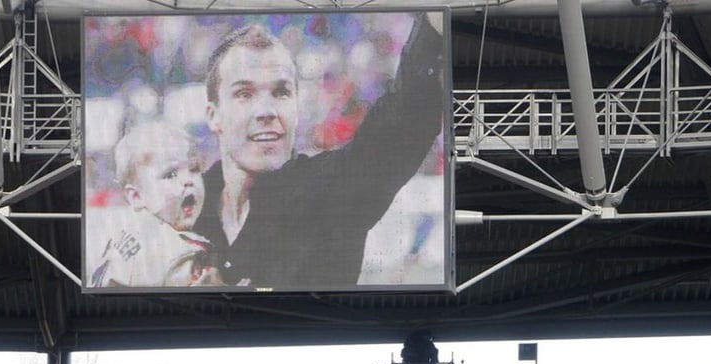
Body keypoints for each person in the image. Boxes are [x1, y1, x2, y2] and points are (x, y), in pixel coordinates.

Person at [196, 12, 447, 288]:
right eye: (244, 93)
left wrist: (436, 19)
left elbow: (401, 124)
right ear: (213, 115)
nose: (266, 111)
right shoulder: (183, 207)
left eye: (281, 92)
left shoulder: (331, 192)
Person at [89, 121, 221, 288]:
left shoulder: (124, 230)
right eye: (170, 174)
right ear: (136, 196)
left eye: (194, 169)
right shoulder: (183, 253)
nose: (188, 180)